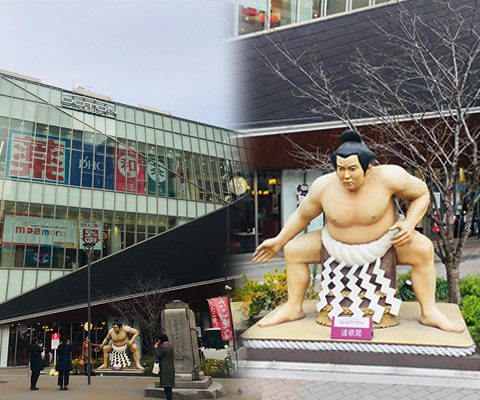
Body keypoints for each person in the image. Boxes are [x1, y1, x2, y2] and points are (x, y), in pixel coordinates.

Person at [253, 129, 464, 332]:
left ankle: (429, 311)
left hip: (387, 242)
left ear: (367, 167)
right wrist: (279, 241)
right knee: (294, 250)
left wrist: (409, 224)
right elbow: (302, 216)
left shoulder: (389, 177)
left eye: (352, 168)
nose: (345, 175)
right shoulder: (323, 186)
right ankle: (293, 307)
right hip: (334, 244)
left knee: (424, 249)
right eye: (340, 169)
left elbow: (421, 194)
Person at [155, 333, 175, 400]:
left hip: (165, 369)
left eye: (158, 340)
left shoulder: (163, 347)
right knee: (169, 387)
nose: (158, 341)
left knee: (166, 388)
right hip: (170, 368)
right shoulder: (170, 346)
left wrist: (156, 348)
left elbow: (158, 355)